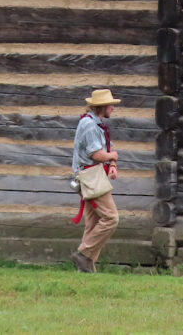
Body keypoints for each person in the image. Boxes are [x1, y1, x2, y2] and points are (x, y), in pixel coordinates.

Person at [70, 88, 121, 273]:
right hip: (91, 177)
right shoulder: (91, 126)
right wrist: (112, 156)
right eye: (110, 105)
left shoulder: (96, 124)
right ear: (102, 107)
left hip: (95, 175)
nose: (113, 109)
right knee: (111, 218)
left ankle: (85, 270)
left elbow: (107, 149)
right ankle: (83, 254)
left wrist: (113, 163)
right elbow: (97, 154)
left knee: (93, 223)